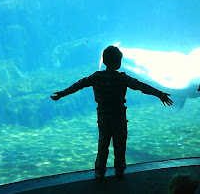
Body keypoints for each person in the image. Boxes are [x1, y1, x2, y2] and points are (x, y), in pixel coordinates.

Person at [51, 46, 173, 180]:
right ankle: (119, 172)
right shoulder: (122, 78)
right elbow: (141, 86)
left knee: (103, 145)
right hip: (119, 116)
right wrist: (159, 94)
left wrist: (62, 94)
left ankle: (99, 173)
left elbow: (78, 85)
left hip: (103, 116)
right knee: (120, 145)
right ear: (119, 63)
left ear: (104, 61)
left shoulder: (96, 77)